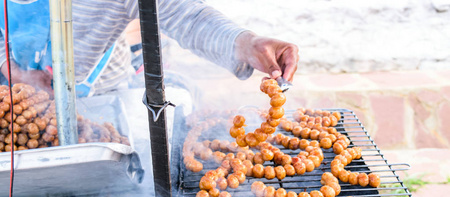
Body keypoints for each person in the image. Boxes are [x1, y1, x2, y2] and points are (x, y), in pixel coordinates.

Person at [0, 0, 299, 97]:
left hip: (104, 89)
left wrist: (245, 43)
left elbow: (185, 16)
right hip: (21, 90)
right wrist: (13, 72)